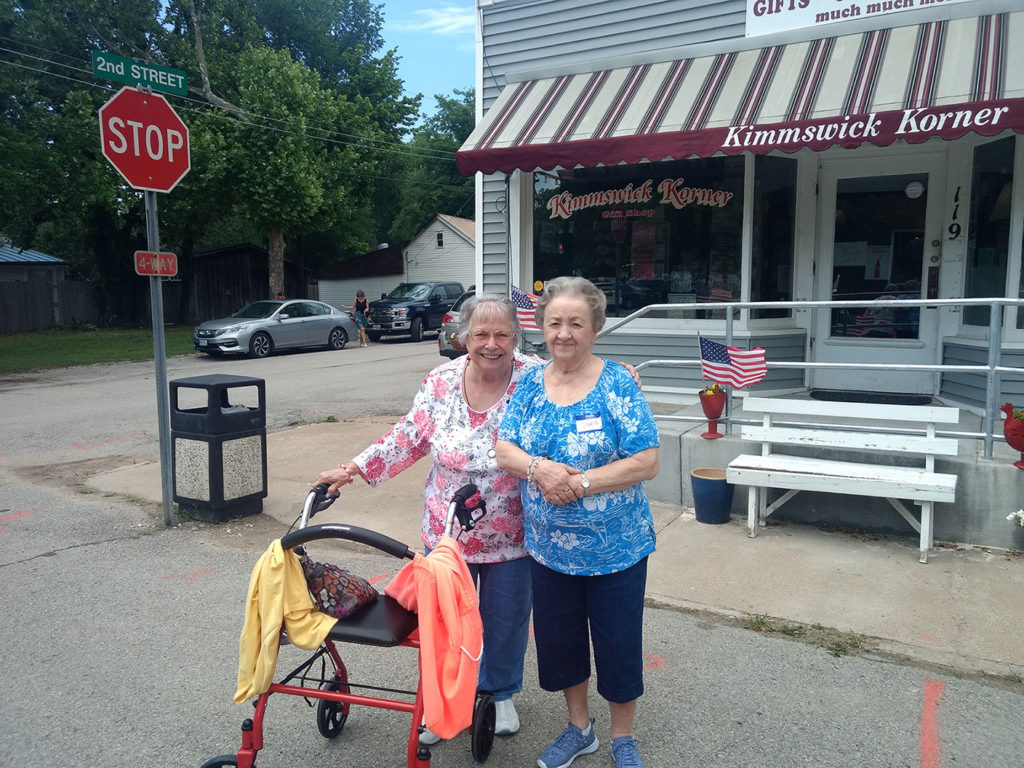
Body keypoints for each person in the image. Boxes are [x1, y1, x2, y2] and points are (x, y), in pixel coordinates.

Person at [317, 294, 537, 743]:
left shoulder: (536, 379)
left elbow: (580, 384)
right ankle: (439, 701)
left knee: (505, 617)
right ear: (463, 337)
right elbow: (409, 436)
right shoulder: (440, 381)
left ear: (516, 337)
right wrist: (353, 469)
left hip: (512, 530)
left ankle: (499, 692)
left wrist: (620, 378)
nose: (491, 344)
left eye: (502, 334)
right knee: (441, 621)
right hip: (447, 533)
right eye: (481, 334)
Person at [495, 276, 660, 768]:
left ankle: (622, 737)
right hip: (549, 552)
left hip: (616, 550)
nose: (563, 333)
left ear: (595, 328)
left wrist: (581, 483)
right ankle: (580, 728)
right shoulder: (528, 383)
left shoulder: (618, 383)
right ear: (542, 328)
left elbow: (647, 460)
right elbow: (504, 447)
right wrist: (538, 469)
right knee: (562, 643)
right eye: (554, 323)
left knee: (618, 643)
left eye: (575, 323)